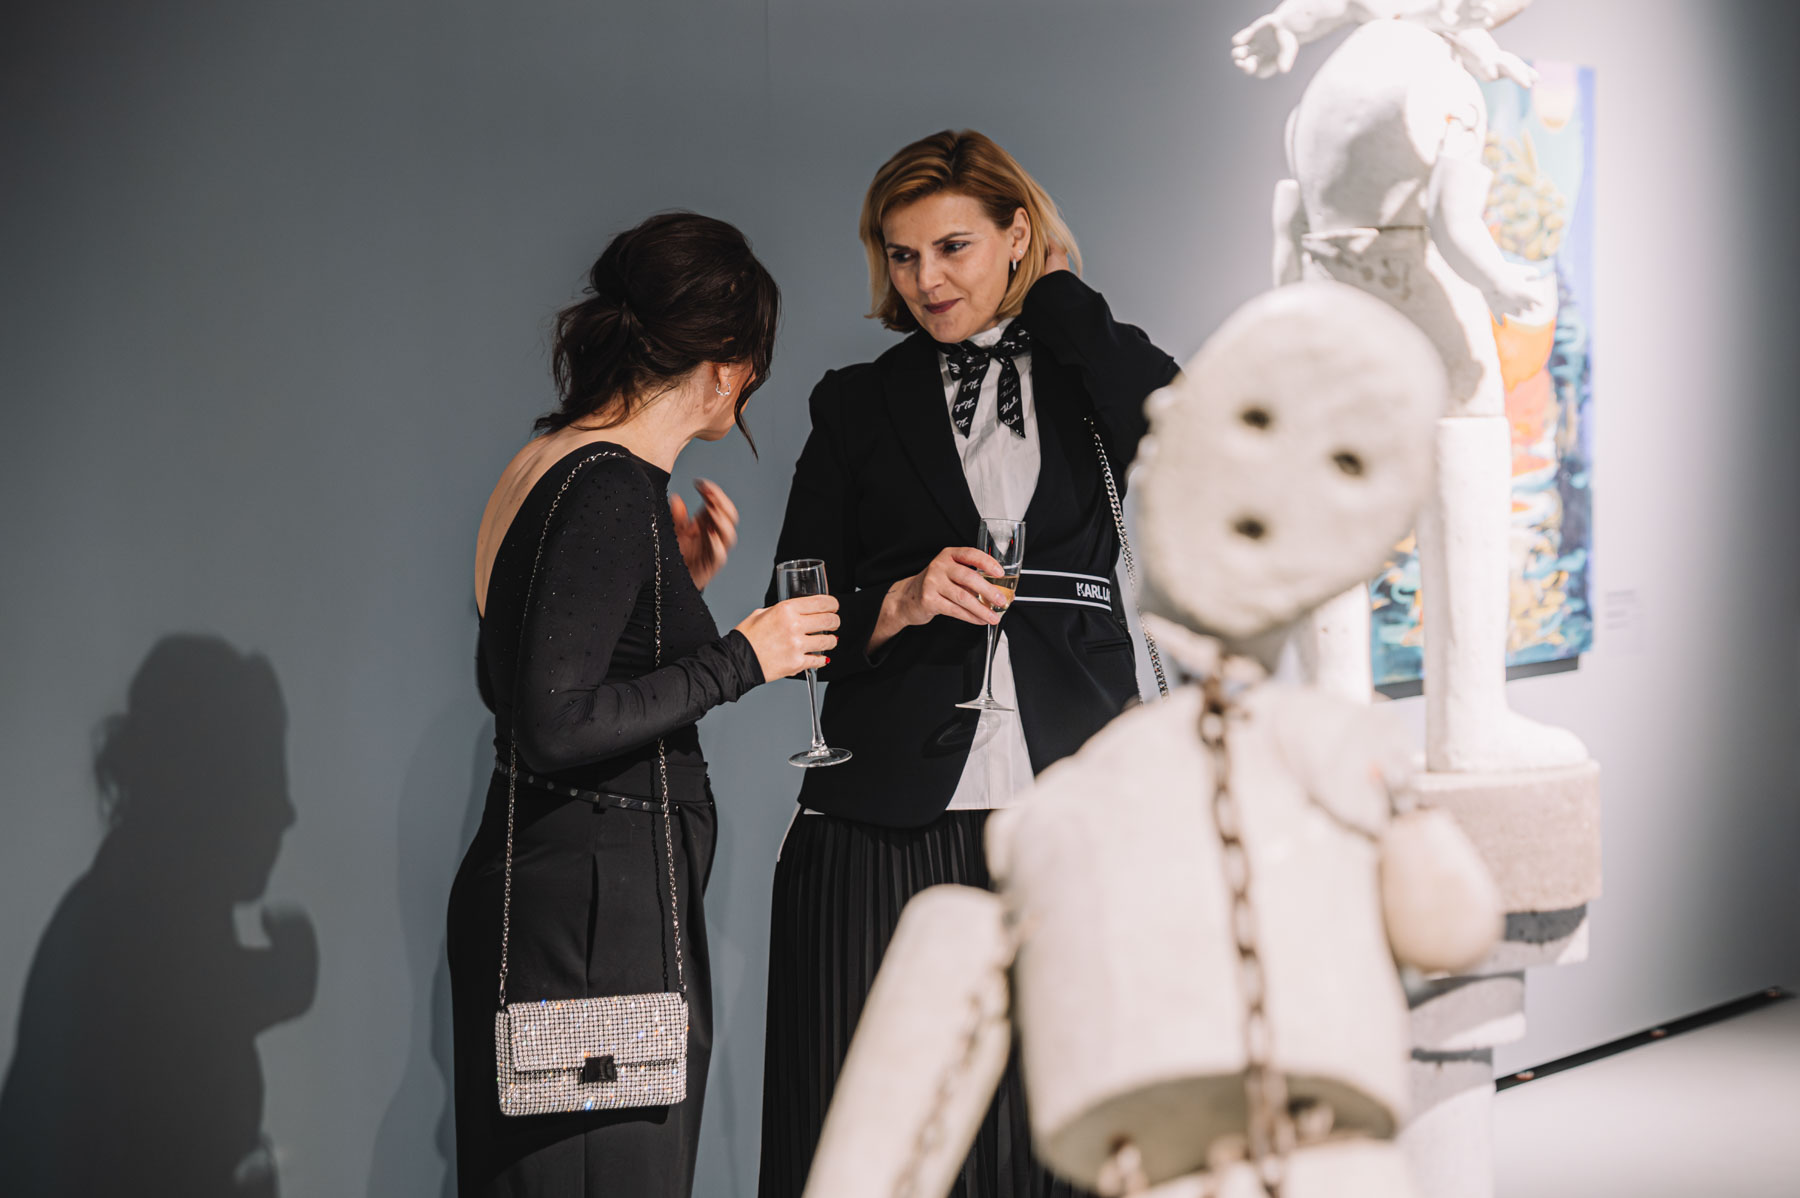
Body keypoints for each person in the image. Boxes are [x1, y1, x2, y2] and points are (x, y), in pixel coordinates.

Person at [757, 130, 1180, 1198]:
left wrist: (1064, 300)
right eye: (902, 256)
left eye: (953, 247)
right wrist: (899, 600)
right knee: (880, 1127)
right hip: (886, 812)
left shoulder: (1089, 383)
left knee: (1064, 1124)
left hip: (1070, 801)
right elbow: (795, 605)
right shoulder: (855, 402)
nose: (926, 280)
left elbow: (1181, 427)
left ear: (1016, 234)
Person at [448, 211, 837, 1198]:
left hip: (567, 904)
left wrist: (668, 594)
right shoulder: (613, 487)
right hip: (596, 923)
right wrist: (744, 655)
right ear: (725, 368)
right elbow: (554, 719)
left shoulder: (547, 461)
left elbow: (532, 654)